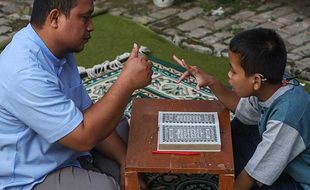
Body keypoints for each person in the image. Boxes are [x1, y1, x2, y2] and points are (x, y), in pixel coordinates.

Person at [0, 0, 152, 190]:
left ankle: (105, 170)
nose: (91, 26)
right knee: (105, 187)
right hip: (31, 175)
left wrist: (126, 164)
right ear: (55, 18)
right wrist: (126, 82)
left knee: (118, 123)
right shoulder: (23, 72)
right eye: (84, 18)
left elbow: (85, 110)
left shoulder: (58, 47)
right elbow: (83, 138)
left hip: (65, 147)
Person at [173, 28, 309, 190]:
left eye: (234, 71)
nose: (229, 75)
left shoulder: (287, 117)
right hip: (283, 158)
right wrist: (211, 82)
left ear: (256, 80)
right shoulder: (271, 83)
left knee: (246, 174)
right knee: (234, 130)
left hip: (299, 182)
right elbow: (241, 109)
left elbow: (252, 176)